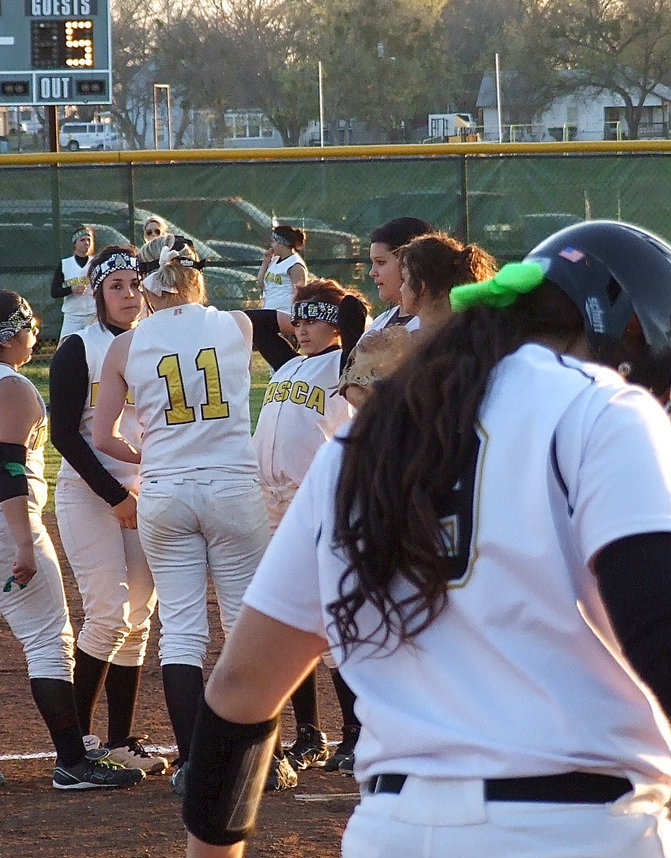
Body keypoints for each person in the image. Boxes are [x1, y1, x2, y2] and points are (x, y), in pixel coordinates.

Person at [162, 221, 671, 858]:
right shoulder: (602, 407)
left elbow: (241, 686)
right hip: (569, 853)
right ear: (623, 329)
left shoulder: (366, 441)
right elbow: (664, 629)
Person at [91, 234, 296, 795]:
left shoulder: (124, 347)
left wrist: (143, 454)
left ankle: (192, 763)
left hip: (165, 490)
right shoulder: (236, 325)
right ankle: (261, 758)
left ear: (147, 284)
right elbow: (300, 313)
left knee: (180, 631)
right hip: (232, 486)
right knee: (243, 626)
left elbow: (101, 434)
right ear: (196, 278)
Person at [0, 289, 144, 793]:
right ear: (9, 335)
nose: (35, 334)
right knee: (49, 641)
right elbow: (7, 469)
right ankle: (72, 762)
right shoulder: (14, 388)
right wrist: (22, 542)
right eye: (28, 326)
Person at [49, 245, 167, 776]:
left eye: (134, 284)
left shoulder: (159, 343)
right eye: (115, 285)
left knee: (139, 618)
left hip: (144, 489)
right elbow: (64, 435)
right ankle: (74, 748)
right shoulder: (79, 346)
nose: (128, 294)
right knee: (107, 612)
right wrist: (115, 496)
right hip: (88, 490)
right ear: (96, 292)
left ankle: (120, 741)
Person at [321, 214, 433, 774]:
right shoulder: (385, 323)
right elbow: (356, 390)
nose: (374, 272)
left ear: (414, 264)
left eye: (383, 261)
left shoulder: (444, 326)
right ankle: (371, 732)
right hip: (383, 478)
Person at [251, 279, 369, 771]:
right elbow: (256, 323)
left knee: (334, 613)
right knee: (292, 614)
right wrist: (293, 312)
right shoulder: (291, 363)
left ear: (336, 323)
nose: (299, 328)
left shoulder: (344, 364)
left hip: (316, 500)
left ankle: (355, 733)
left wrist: (341, 311)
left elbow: (359, 323)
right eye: (296, 319)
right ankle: (308, 732)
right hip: (271, 504)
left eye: (310, 318)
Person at [339, 231, 498, 408]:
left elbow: (400, 415)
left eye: (405, 279)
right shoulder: (479, 334)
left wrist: (354, 385)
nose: (402, 288)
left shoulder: (423, 351)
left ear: (421, 287)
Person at [52, 225, 97, 338]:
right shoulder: (65, 264)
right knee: (65, 349)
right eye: (82, 240)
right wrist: (71, 289)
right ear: (74, 243)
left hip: (93, 314)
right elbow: (54, 292)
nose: (86, 243)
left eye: (88, 240)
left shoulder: (95, 263)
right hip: (72, 317)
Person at [258, 225, 308, 313]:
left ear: (282, 243)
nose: (271, 245)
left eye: (273, 242)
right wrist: (265, 263)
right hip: (269, 311)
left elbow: (300, 296)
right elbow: (261, 284)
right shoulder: (274, 260)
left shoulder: (295, 265)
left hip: (285, 314)